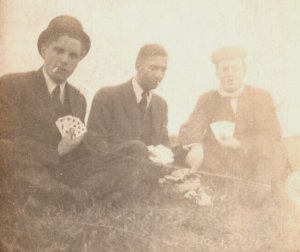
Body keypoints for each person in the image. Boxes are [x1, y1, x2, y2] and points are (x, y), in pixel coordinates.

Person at [0, 15, 147, 210]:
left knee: (135, 150)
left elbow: (78, 147)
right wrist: (57, 150)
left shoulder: (78, 99)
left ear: (80, 60)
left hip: (65, 172)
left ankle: (69, 198)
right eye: (58, 50)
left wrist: (104, 150)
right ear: (44, 49)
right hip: (29, 169)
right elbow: (8, 139)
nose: (64, 60)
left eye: (73, 55)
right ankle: (73, 198)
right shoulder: (12, 85)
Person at [178, 46, 287, 200]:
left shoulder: (261, 97)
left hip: (252, 158)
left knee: (270, 160)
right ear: (217, 74)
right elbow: (191, 126)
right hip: (219, 160)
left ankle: (256, 189)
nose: (230, 73)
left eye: (235, 68)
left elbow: (272, 135)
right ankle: (219, 187)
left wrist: (241, 143)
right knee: (184, 154)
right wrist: (196, 146)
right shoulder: (208, 98)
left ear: (243, 71)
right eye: (225, 69)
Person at [85, 43, 170, 160]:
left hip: (149, 175)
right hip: (113, 172)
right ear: (138, 65)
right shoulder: (107, 96)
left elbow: (164, 145)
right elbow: (95, 144)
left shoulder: (161, 105)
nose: (159, 75)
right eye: (153, 68)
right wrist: (136, 151)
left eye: (163, 70)